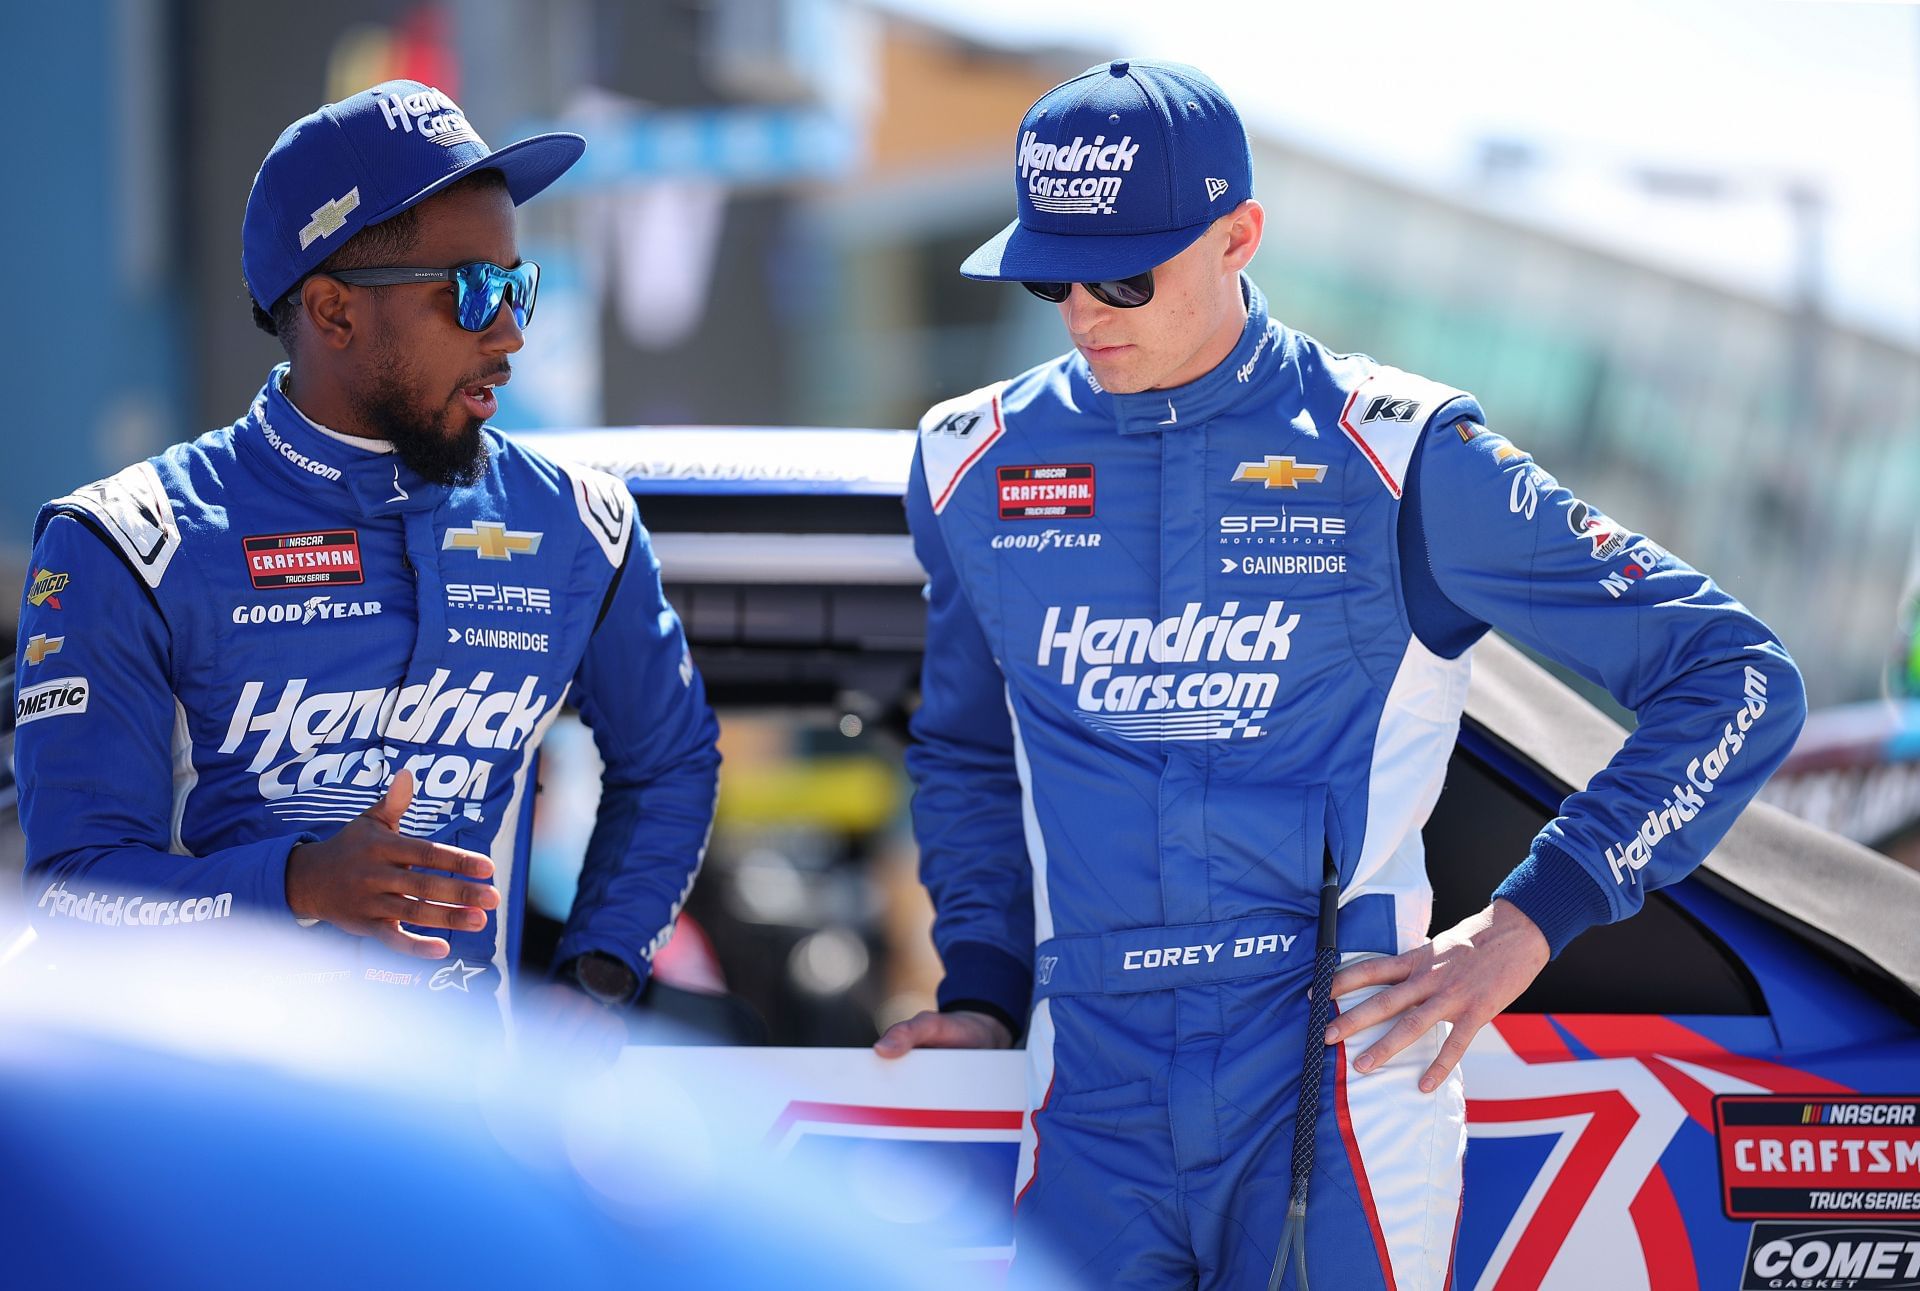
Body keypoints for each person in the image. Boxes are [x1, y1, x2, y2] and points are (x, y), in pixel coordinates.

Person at [874, 59, 1805, 1288]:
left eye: (1124, 274)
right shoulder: (970, 464)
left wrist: (1530, 926)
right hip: (1091, 1087)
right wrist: (986, 979)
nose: (1085, 313)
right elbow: (965, 748)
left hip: (1335, 1075)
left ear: (1240, 236)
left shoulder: (1403, 453)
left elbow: (1736, 677)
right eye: (1049, 274)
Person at [14, 81, 721, 1038]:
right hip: (206, 1134)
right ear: (333, 311)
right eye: (472, 292)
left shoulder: (580, 526)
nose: (510, 335)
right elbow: (75, 895)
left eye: (520, 286)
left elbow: (671, 759)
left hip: (464, 1139)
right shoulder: (129, 543)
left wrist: (597, 972)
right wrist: (299, 883)